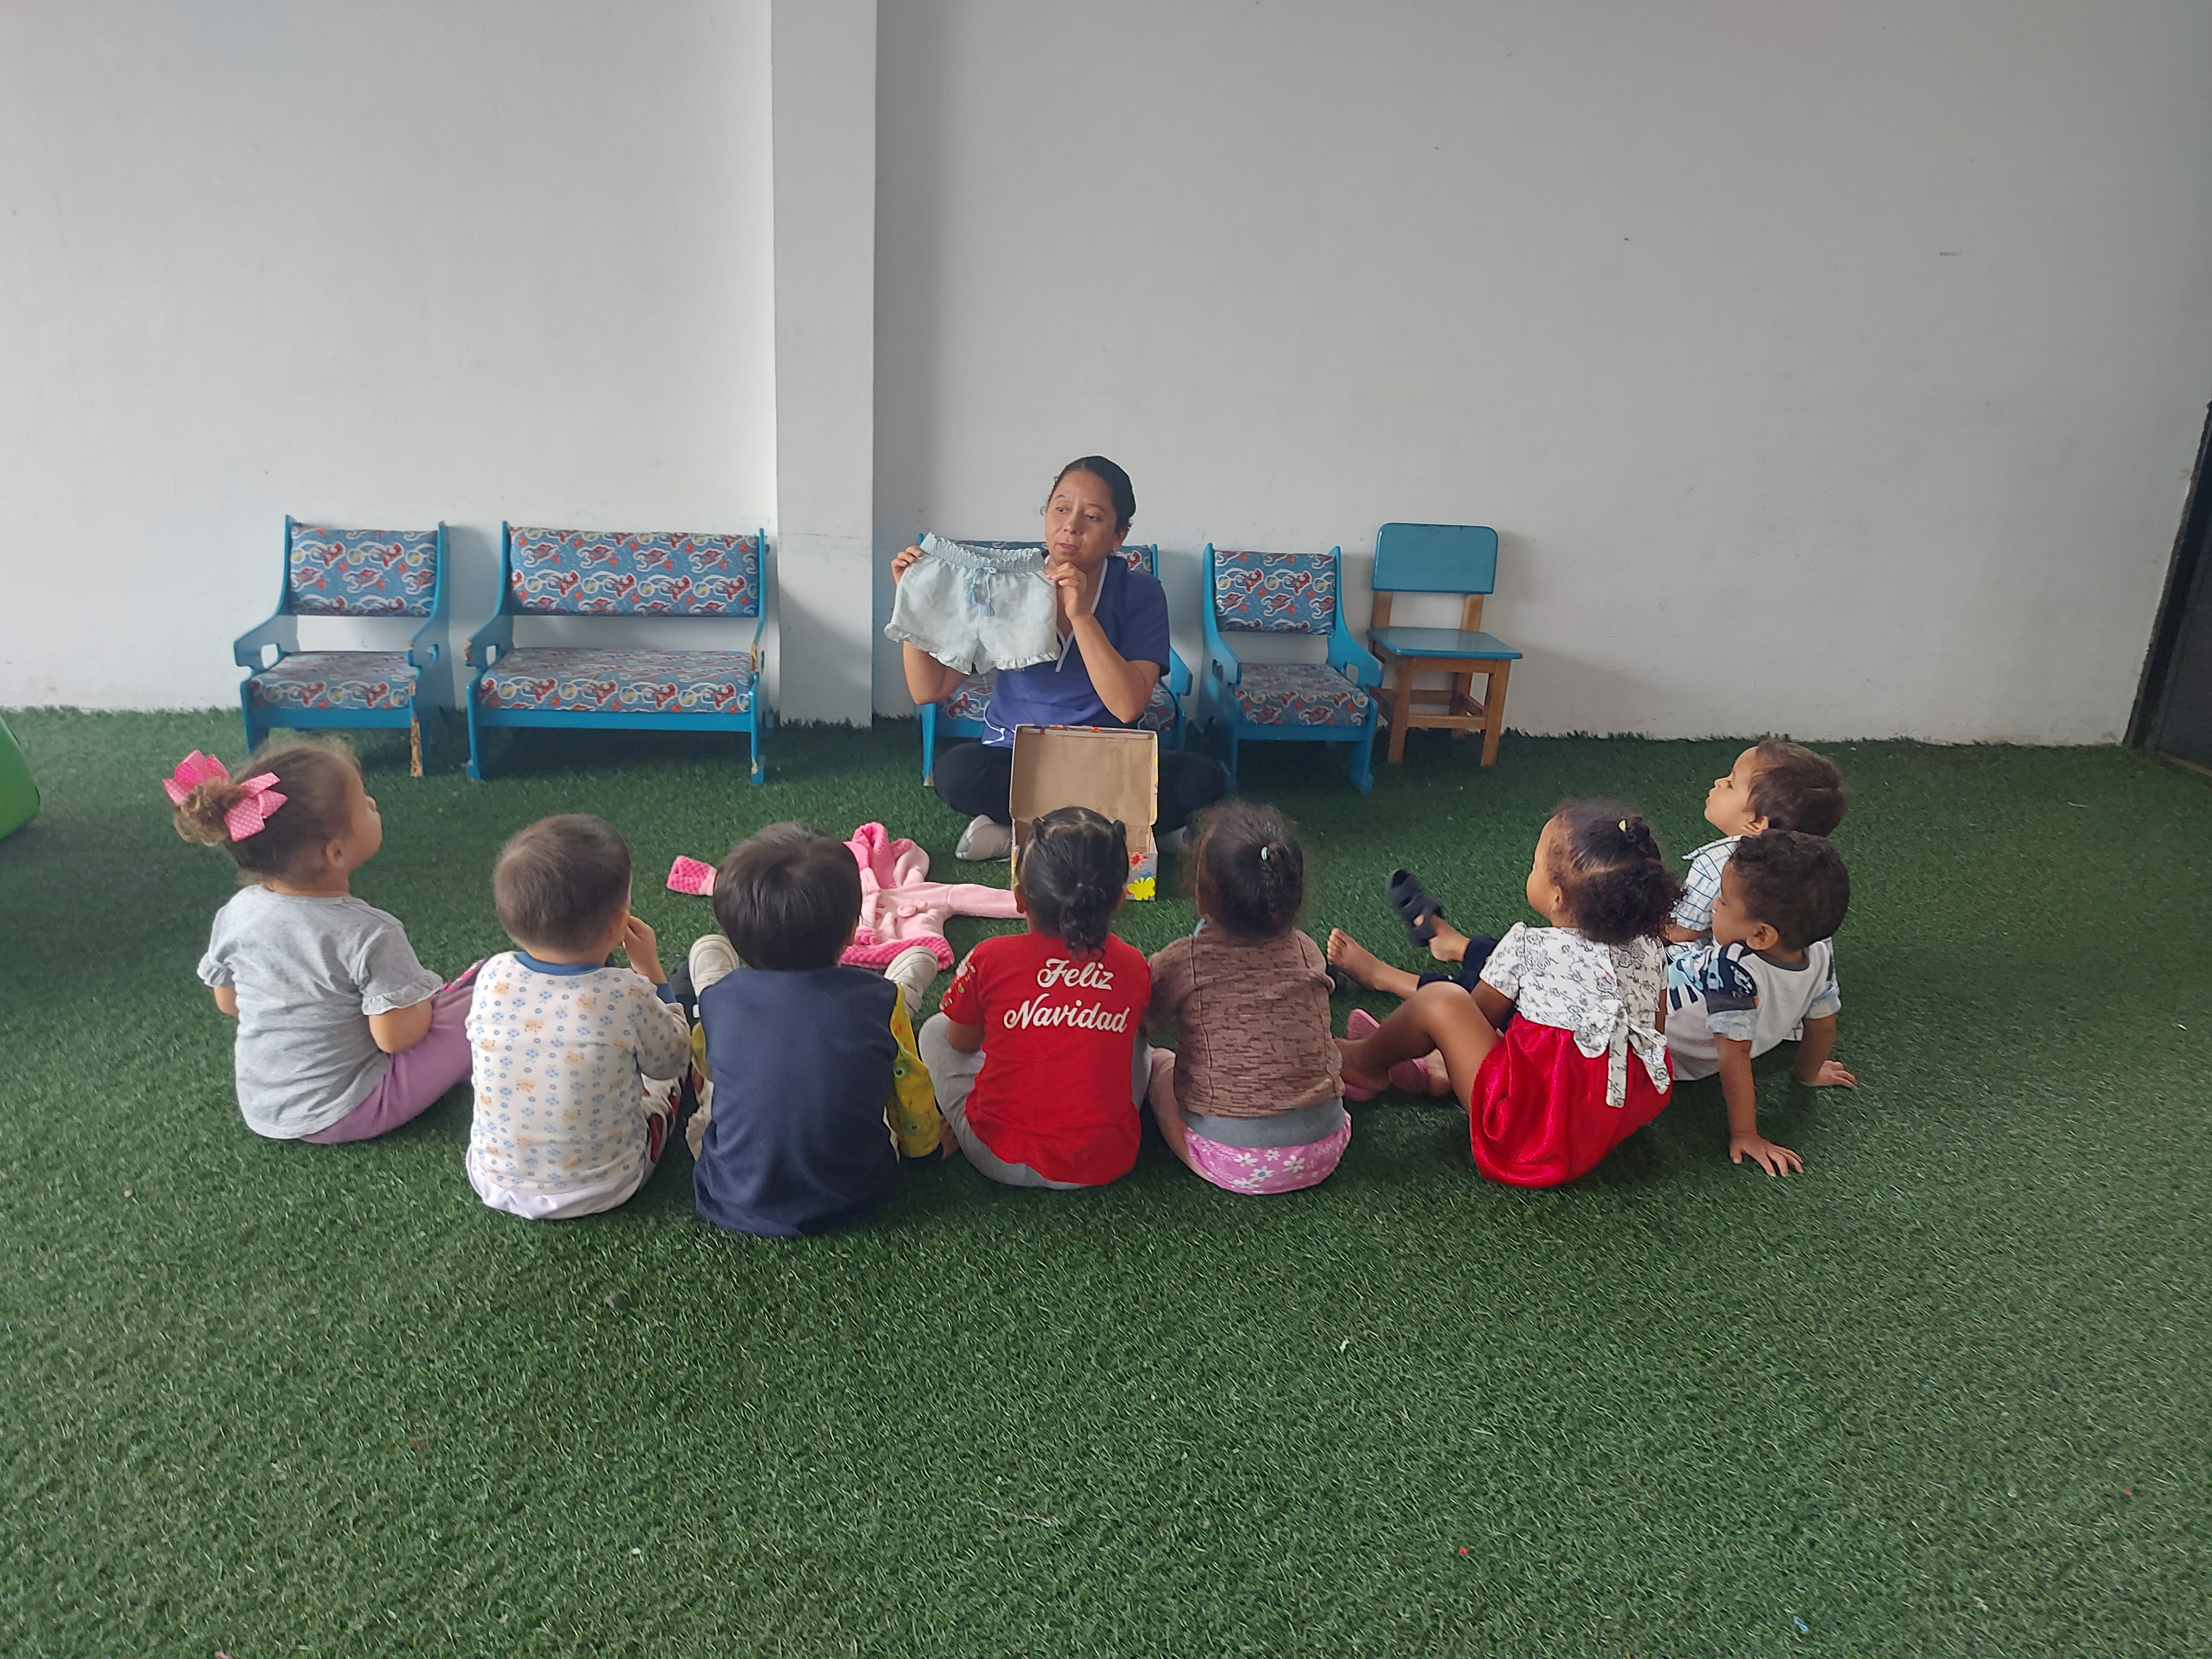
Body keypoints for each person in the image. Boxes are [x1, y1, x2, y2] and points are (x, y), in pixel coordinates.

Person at [891, 455, 1228, 860]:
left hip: (1106, 758)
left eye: (1093, 517)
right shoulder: (1007, 584)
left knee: (1203, 780)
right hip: (1017, 757)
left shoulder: (1141, 593)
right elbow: (929, 689)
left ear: (1118, 535)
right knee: (956, 773)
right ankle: (1121, 829)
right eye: (1062, 509)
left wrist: (1081, 616)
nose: (1071, 526)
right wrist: (914, 605)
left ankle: (1021, 832)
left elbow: (1127, 706)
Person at [1337, 802, 1682, 1187]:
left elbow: (1476, 1017)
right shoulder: (1651, 949)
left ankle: (1364, 1063)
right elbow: (1655, 1032)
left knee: (1442, 1001)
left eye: (1536, 866)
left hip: (1529, 1142)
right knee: (1531, 1035)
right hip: (1614, 1118)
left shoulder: (1528, 946)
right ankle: (1434, 1073)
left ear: (1557, 897)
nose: (1531, 870)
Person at [170, 741, 474, 1143]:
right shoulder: (370, 932)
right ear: (336, 853)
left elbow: (230, 1003)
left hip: (263, 1106)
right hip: (349, 1108)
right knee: (479, 1008)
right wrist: (423, 1006)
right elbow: (396, 1039)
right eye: (363, 805)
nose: (373, 803)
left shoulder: (237, 911)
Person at [688, 823, 943, 1238]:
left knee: (719, 1078)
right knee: (886, 1023)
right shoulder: (876, 1001)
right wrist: (926, 1151)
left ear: (735, 935)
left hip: (732, 1194)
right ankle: (903, 989)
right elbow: (910, 1089)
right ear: (852, 931)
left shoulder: (721, 1003)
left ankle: (710, 974)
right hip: (858, 1191)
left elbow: (709, 1068)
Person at [464, 816, 690, 1219]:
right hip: (607, 1185)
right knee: (667, 1080)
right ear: (619, 924)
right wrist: (652, 974)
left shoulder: (492, 976)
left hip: (493, 1180)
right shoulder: (626, 992)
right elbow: (673, 1059)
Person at [918, 807, 1151, 1188]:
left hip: (996, 1155)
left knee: (933, 1031)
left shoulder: (988, 958)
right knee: (1138, 1040)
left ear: (1019, 897)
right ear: (1118, 900)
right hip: (1105, 1157)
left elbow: (960, 1042)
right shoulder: (1133, 964)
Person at [1144, 803, 1349, 1194]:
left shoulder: (1185, 960)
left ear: (1201, 898)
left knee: (1158, 1061)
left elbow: (1142, 1017)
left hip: (1232, 1158)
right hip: (1326, 1147)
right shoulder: (1307, 950)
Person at [1664, 830, 1857, 1175]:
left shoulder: (1732, 967)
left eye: (1723, 900)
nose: (1714, 904)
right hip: (1668, 1025)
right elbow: (1824, 1021)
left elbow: (1734, 1055)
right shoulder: (1819, 951)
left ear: (1761, 935)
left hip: (1666, 1049)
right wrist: (1808, 1073)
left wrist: (1746, 1135)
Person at [1666, 741, 1845, 944]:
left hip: (1728, 960)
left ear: (1756, 823)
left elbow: (1683, 933)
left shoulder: (1717, 862)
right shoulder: (1814, 869)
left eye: (1731, 784)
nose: (1719, 782)